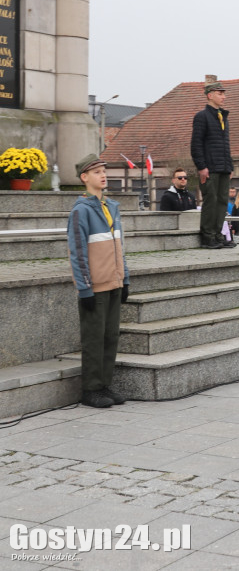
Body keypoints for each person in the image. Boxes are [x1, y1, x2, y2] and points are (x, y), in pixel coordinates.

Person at [67, 154, 130, 409]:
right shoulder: (81, 211)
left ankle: (104, 384)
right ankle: (91, 389)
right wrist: (84, 288)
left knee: (111, 336)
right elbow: (78, 252)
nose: (103, 175)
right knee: (94, 337)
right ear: (84, 177)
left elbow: (120, 247)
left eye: (104, 171)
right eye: (96, 172)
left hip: (114, 282)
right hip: (95, 286)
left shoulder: (111, 207)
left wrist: (124, 278)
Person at [190, 81, 235, 249]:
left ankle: (217, 235)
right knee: (211, 201)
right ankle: (208, 236)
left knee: (222, 201)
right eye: (220, 93)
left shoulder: (223, 116)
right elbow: (196, 144)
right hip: (210, 167)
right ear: (210, 95)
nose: (224, 97)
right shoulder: (202, 116)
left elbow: (226, 144)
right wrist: (201, 166)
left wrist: (229, 166)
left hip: (223, 166)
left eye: (224, 93)